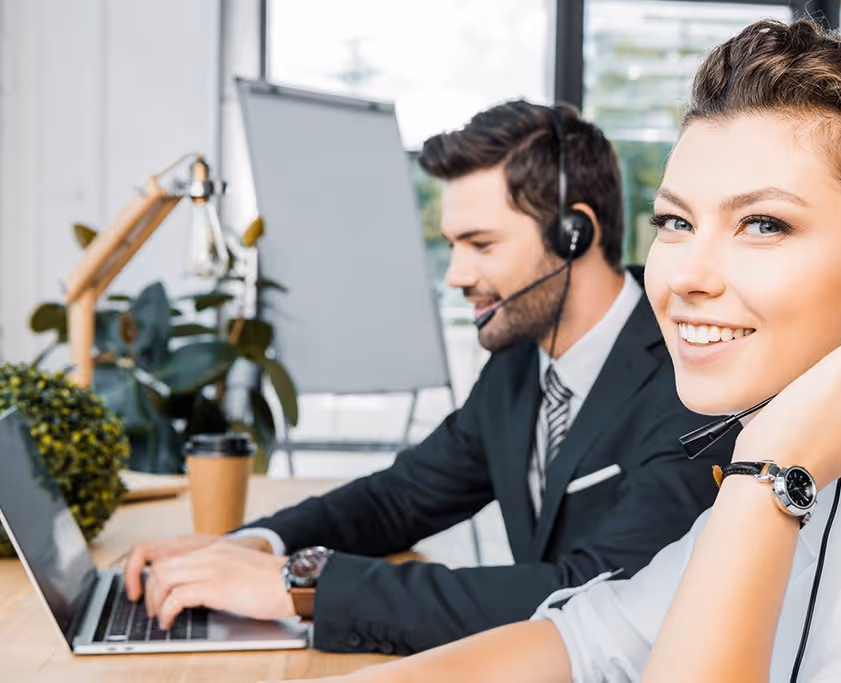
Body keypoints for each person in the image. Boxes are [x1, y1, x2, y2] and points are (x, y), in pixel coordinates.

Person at [289, 18, 841, 682]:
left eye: (763, 223)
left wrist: (769, 474)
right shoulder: (780, 497)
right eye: (675, 221)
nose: (684, 280)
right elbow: (574, 645)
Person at [122, 100, 736, 655]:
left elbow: (593, 593)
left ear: (573, 235)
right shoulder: (520, 364)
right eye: (452, 246)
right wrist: (255, 547)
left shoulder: (690, 373)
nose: (455, 276)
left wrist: (301, 586)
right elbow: (401, 497)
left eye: (481, 245)